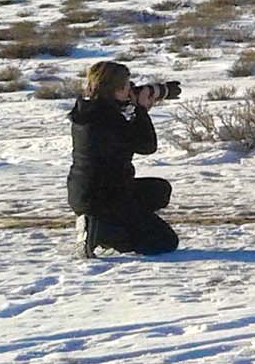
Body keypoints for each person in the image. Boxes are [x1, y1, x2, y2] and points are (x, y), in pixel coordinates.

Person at [68, 61, 179, 257]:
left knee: (159, 190)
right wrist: (141, 110)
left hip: (84, 192)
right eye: (128, 86)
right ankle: (101, 231)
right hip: (106, 198)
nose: (131, 90)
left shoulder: (86, 111)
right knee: (164, 243)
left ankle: (112, 222)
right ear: (116, 89)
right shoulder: (109, 119)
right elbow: (147, 146)